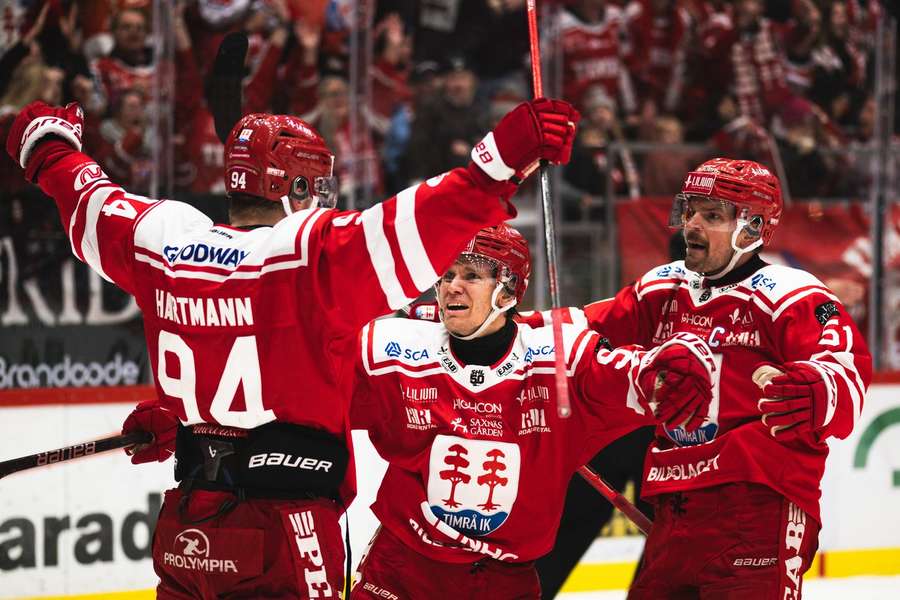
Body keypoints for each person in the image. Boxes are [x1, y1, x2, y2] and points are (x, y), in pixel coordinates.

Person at [5, 96, 580, 598]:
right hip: (285, 528)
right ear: (295, 186)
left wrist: (48, 144)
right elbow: (416, 223)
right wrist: (497, 165)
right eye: (317, 185)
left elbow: (86, 199)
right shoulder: (308, 254)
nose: (322, 198)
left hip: (188, 528)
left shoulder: (163, 238)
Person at [349, 222, 719, 599]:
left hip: (504, 580)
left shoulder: (561, 360)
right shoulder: (394, 348)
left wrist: (672, 373)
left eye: (471, 275)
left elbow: (635, 377)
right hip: (404, 568)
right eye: (447, 275)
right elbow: (313, 384)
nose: (451, 287)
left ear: (508, 291)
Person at [579, 158, 872, 599]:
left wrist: (817, 387)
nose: (691, 225)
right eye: (691, 210)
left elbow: (846, 366)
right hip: (676, 507)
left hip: (758, 508)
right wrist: (497, 331)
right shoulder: (664, 288)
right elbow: (575, 333)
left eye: (712, 215)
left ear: (752, 228)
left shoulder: (790, 294)